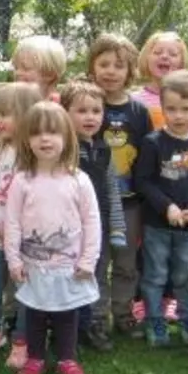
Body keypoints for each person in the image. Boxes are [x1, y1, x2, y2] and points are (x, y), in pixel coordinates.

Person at [3, 102, 102, 374]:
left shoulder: (79, 180)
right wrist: (14, 260)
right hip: (33, 266)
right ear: (27, 140)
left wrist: (88, 260)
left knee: (66, 314)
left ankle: (67, 359)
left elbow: (92, 222)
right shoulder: (22, 181)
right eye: (36, 134)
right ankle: (35, 359)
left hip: (69, 267)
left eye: (52, 133)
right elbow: (12, 223)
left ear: (67, 138)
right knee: (34, 312)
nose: (44, 139)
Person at [133, 71, 188, 348]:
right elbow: (143, 181)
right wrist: (167, 206)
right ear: (161, 107)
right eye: (171, 109)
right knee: (155, 274)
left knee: (186, 275)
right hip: (157, 225)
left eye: (186, 109)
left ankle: (187, 320)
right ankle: (155, 321)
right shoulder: (153, 143)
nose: (178, 115)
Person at [0, 82, 44, 362]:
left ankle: (22, 339)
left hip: (26, 239)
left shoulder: (36, 154)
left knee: (25, 289)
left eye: (6, 114)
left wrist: (21, 229)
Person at [88, 33, 153, 340]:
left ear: (130, 71)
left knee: (126, 263)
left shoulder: (138, 111)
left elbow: (147, 154)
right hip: (94, 202)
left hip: (129, 201)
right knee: (98, 261)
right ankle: (97, 316)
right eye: (103, 64)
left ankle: (124, 313)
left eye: (118, 65)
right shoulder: (87, 105)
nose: (110, 71)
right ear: (92, 67)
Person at [60, 80, 128, 352]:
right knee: (69, 276)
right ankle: (68, 324)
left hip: (97, 229)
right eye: (82, 111)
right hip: (68, 231)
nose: (90, 117)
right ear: (65, 113)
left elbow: (112, 190)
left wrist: (117, 228)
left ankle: (96, 323)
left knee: (98, 276)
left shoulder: (104, 150)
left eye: (96, 111)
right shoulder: (63, 150)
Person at [132, 31, 188, 131]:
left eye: (173, 54)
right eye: (157, 52)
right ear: (146, 58)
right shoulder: (133, 100)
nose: (164, 56)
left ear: (182, 63)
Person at [10, 34, 65, 101]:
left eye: (26, 68)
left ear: (49, 74)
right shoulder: (16, 105)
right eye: (16, 67)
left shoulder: (57, 108)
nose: (17, 73)